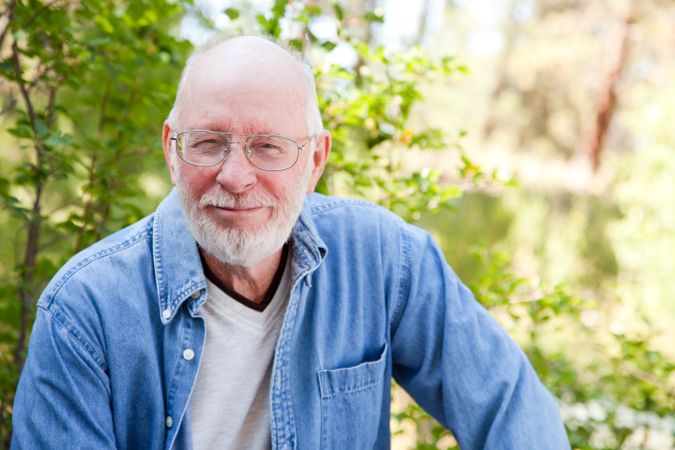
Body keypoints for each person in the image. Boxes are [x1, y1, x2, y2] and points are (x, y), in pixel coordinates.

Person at [11, 35, 569, 449]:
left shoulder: (383, 260)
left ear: (316, 160)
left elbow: (512, 411)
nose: (234, 175)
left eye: (269, 147)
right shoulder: (83, 312)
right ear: (170, 150)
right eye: (207, 143)